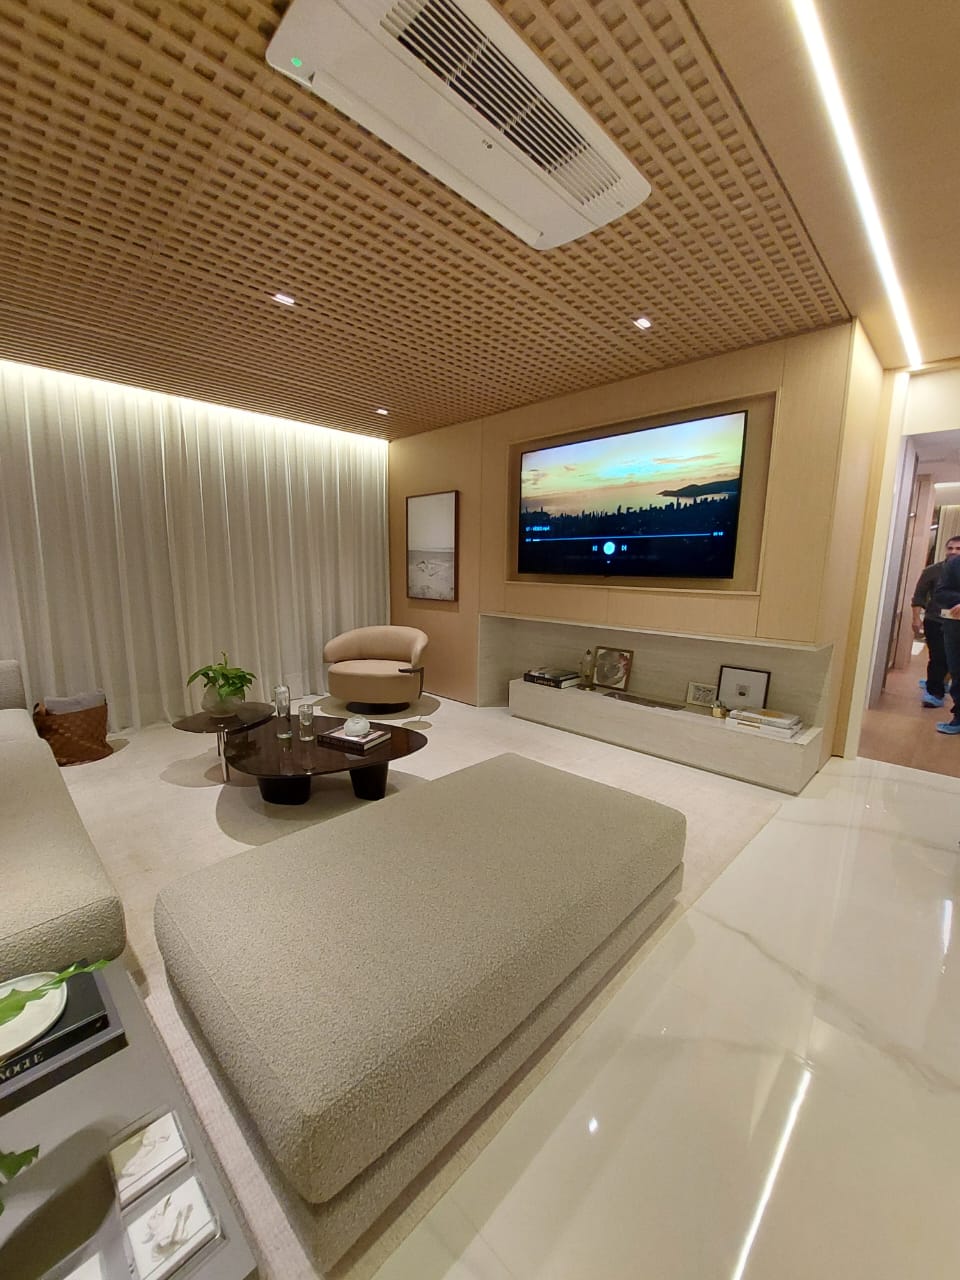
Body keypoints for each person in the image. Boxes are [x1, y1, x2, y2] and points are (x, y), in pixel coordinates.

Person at [911, 536, 960, 706]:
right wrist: (916, 619)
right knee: (938, 657)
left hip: (956, 623)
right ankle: (934, 693)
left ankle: (942, 682)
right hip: (935, 620)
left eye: (958, 549)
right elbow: (919, 596)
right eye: (950, 548)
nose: (953, 552)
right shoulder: (932, 571)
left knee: (951, 659)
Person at [931, 553, 960, 734]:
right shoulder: (955, 564)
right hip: (955, 628)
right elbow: (940, 594)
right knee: (957, 672)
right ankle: (958, 717)